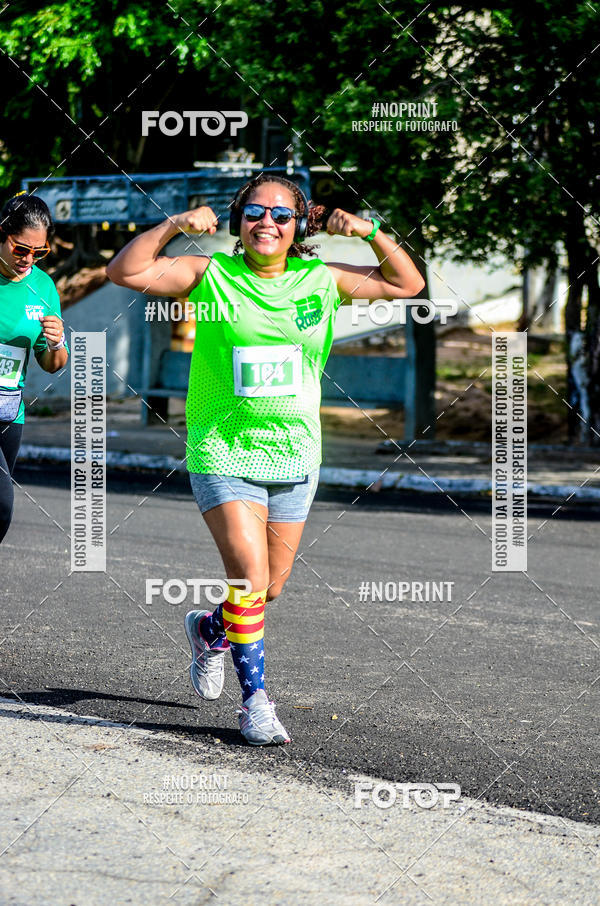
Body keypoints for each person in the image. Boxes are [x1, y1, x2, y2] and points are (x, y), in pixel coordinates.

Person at [107, 173, 424, 745]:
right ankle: (255, 702)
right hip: (222, 449)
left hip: (296, 454)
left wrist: (368, 231)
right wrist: (177, 225)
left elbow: (408, 284)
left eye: (281, 215)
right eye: (254, 212)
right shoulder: (212, 275)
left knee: (269, 587)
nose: (266, 223)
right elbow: (124, 271)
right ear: (238, 221)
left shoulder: (320, 279)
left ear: (299, 225)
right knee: (249, 580)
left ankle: (208, 629)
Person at [0, 194, 68, 544]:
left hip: (10, 411)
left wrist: (56, 342)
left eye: (38, 252)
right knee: (1, 501)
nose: (28, 259)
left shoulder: (42, 287)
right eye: (20, 249)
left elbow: (53, 363)